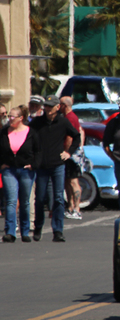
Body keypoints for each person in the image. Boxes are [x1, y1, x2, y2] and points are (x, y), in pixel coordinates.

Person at [31, 95, 81, 242]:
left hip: (57, 165)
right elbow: (28, 137)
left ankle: (58, 230)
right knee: (40, 198)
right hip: (41, 166)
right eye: (46, 106)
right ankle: (38, 227)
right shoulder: (37, 122)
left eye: (51, 106)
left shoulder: (63, 122)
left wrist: (68, 152)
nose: (48, 109)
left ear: (57, 107)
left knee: (58, 198)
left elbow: (76, 137)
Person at [1, 106, 39, 242]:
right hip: (9, 169)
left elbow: (38, 151)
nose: (10, 119)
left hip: (26, 170)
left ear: (21, 118)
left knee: (25, 201)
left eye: (13, 116)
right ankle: (10, 232)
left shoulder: (31, 133)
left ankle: (25, 231)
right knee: (11, 201)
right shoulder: (4, 132)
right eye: (9, 116)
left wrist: (33, 165)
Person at [59, 96, 86, 220]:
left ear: (65, 105)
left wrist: (67, 152)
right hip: (69, 154)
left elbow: (71, 137)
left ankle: (77, 208)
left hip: (71, 155)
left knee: (73, 181)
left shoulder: (70, 118)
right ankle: (70, 207)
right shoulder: (69, 117)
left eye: (60, 104)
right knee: (67, 181)